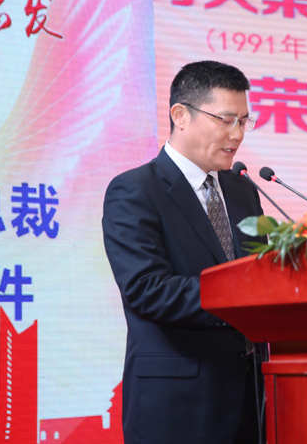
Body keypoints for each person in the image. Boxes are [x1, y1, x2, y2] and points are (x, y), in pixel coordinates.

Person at [102, 61, 266, 443]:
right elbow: (147, 288)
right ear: (180, 116)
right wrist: (241, 295)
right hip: (179, 404)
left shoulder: (243, 190)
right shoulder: (135, 191)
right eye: (226, 120)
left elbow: (261, 272)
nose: (237, 134)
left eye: (244, 121)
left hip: (251, 399)